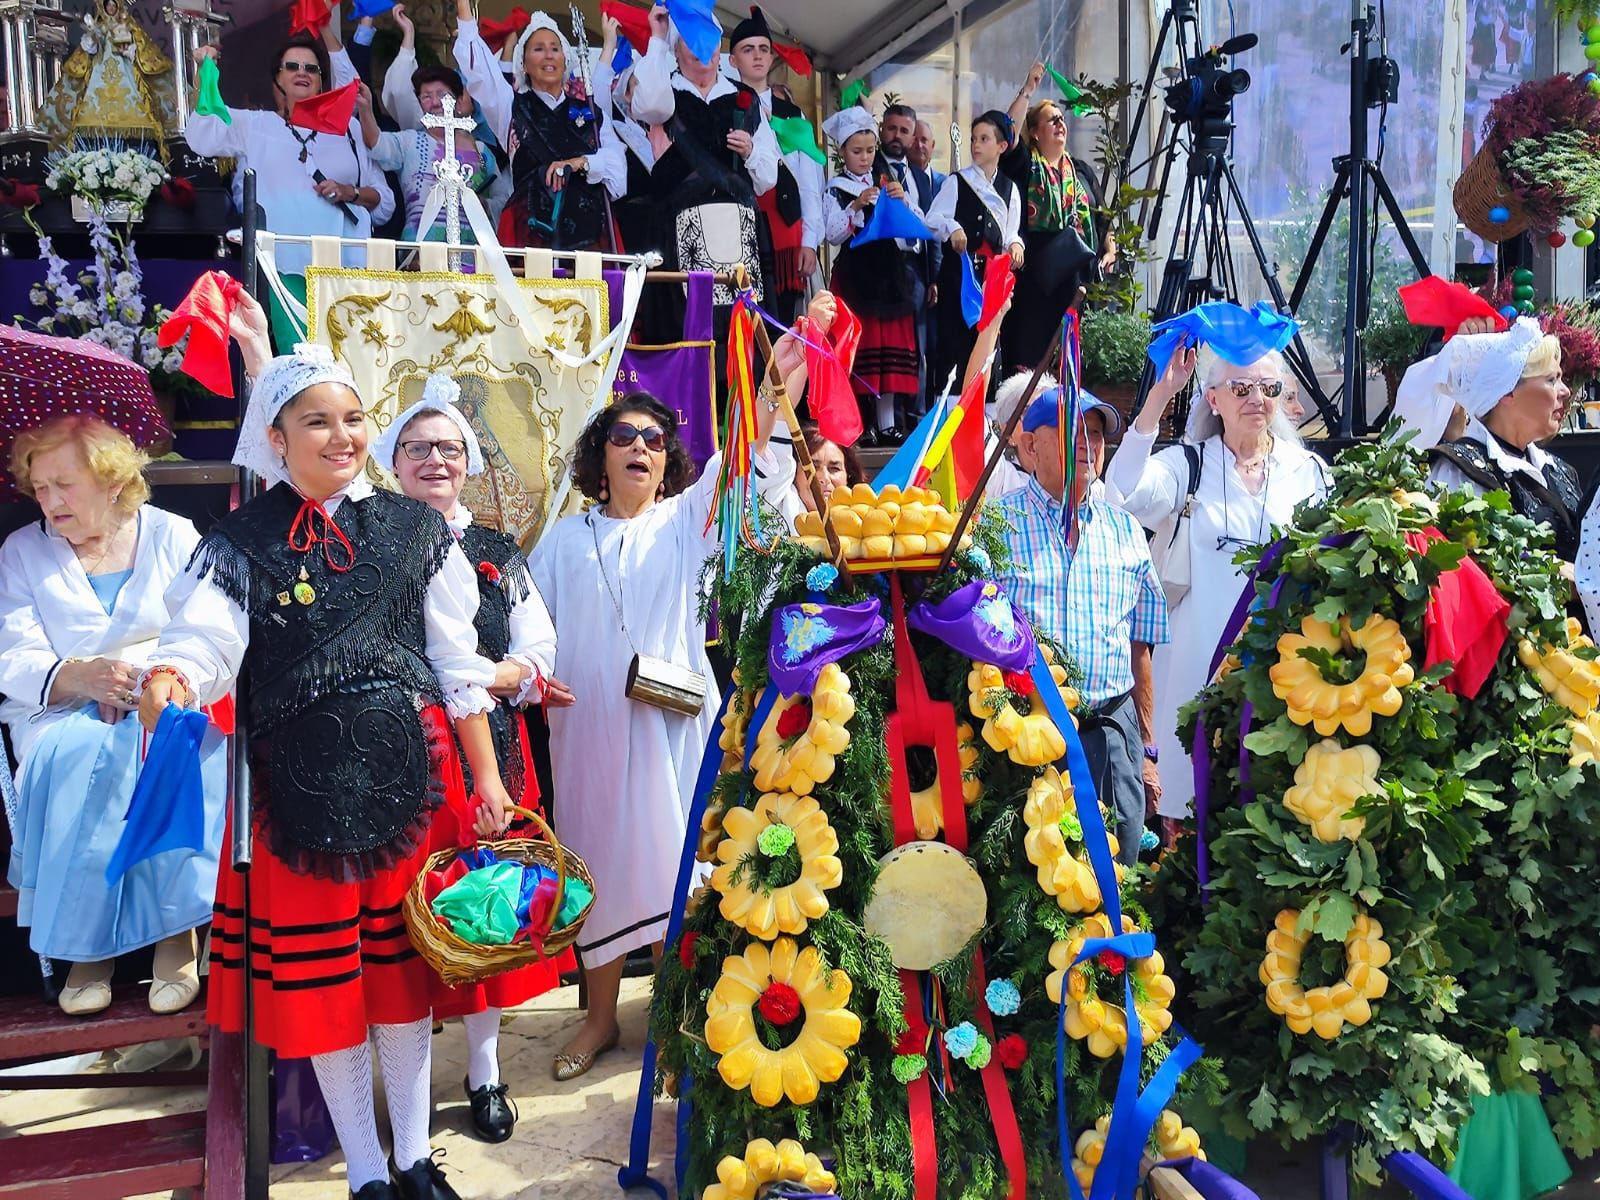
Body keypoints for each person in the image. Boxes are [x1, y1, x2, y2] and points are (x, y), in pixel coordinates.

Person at [138, 338, 513, 1200]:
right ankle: (368, 1175)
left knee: (399, 982)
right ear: (277, 437)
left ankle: (416, 1161)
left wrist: (487, 780)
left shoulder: (417, 532)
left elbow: (459, 667)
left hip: (409, 786)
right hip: (295, 800)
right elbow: (205, 644)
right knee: (330, 989)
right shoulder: (237, 544)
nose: (340, 437)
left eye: (352, 419)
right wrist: (173, 677)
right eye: (317, 422)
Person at [529, 391, 795, 1081]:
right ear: (601, 454)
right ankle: (599, 1018)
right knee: (598, 869)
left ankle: (686, 1016)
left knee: (689, 864)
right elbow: (532, 629)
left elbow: (737, 478)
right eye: (624, 436)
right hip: (588, 730)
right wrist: (532, 674)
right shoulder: (563, 541)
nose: (640, 447)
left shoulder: (684, 524)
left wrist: (768, 403)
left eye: (654, 437)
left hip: (675, 725)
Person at [370, 375, 575, 1143]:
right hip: (405, 754)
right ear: (392, 461)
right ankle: (408, 1086)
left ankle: (485, 1072)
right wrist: (499, 674)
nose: (435, 460)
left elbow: (539, 647)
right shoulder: (370, 544)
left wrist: (490, 674)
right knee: (409, 916)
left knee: (489, 907)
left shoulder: (495, 551)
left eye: (450, 448)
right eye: (418, 447)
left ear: (470, 462)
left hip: (494, 751)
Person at [0, 416, 226, 1016]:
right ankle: (87, 946)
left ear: (111, 481)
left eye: (64, 485)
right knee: (87, 752)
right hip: (63, 711)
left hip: (164, 696)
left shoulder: (174, 535)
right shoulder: (22, 552)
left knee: (171, 743)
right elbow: (13, 652)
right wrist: (78, 676)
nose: (49, 501)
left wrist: (152, 677)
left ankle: (175, 930)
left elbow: (205, 625)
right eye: (38, 487)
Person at [1103, 343, 1331, 836]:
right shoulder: (1189, 465)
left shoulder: (1307, 472)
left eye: (1268, 388)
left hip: (1280, 670)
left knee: (1275, 812)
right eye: (1241, 388)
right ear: (1213, 398)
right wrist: (1162, 394)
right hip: (1194, 669)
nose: (1256, 399)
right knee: (1191, 819)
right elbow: (1123, 495)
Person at [991, 391, 1167, 865]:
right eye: (1073, 434)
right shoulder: (996, 528)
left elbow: (1140, 648)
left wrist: (1147, 749)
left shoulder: (1126, 531)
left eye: (1095, 434)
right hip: (1028, 736)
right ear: (1030, 448)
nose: (1089, 445)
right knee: (1036, 881)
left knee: (1118, 869)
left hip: (1112, 731)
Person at [186, 37, 394, 350]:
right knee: (301, 355)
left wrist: (349, 192)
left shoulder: (349, 129)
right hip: (286, 262)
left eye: (312, 68)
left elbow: (384, 202)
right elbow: (204, 135)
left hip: (348, 262)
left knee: (352, 357)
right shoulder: (257, 125)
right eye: (292, 66)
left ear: (322, 80)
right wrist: (206, 72)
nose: (303, 73)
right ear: (278, 78)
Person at [630, 2, 779, 308]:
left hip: (737, 230)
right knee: (687, 321)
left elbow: (767, 179)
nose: (703, 49)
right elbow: (649, 106)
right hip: (676, 229)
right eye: (691, 40)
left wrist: (750, 152)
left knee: (739, 321)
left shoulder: (745, 98)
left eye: (710, 39)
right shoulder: (665, 92)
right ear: (676, 48)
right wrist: (657, 38)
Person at [1403, 318, 1583, 564]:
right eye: (1551, 380)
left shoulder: (1560, 470)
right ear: (1507, 391)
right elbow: (1461, 572)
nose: (1565, 391)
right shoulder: (1459, 471)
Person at [451, 0, 620, 250]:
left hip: (591, 229)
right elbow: (480, 71)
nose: (549, 55)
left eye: (555, 48)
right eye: (538, 49)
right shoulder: (510, 106)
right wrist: (463, 6)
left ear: (565, 58)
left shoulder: (592, 113)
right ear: (524, 63)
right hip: (528, 228)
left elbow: (618, 171)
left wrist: (580, 163)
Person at [1002, 65, 1116, 375]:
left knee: (1071, 364)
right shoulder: (1025, 165)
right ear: (1036, 132)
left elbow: (1101, 216)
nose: (1060, 123)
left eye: (1062, 119)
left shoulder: (1079, 170)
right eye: (1051, 120)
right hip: (1036, 284)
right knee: (1031, 365)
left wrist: (1110, 247)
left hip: (1076, 282)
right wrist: (1027, 89)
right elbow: (1007, 133)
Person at [821, 106, 920, 445]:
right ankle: (860, 423)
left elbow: (914, 233)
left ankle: (888, 420)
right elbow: (832, 234)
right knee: (860, 349)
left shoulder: (890, 181)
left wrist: (903, 202)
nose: (864, 158)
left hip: (889, 275)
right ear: (843, 153)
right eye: (856, 151)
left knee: (888, 348)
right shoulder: (837, 187)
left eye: (868, 151)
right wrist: (855, 206)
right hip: (856, 276)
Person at [726, 6, 823, 324]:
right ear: (732, 60)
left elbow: (809, 182)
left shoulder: (793, 116)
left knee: (781, 322)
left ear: (771, 58)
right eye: (747, 49)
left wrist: (809, 241)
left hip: (784, 230)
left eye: (764, 49)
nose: (757, 56)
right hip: (740, 225)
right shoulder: (723, 106)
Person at [924, 109, 1025, 393]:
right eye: (974, 139)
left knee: (989, 343)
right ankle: (950, 412)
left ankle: (985, 414)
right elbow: (933, 220)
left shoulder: (1010, 189)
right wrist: (953, 227)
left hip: (990, 282)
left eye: (984, 139)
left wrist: (1016, 245)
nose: (976, 145)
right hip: (959, 279)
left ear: (1002, 146)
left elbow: (1010, 232)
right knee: (956, 344)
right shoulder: (957, 182)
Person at [358, 64, 498, 243]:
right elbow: (376, 143)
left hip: (475, 255)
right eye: (426, 97)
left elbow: (503, 197)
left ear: (460, 99)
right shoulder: (410, 142)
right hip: (421, 254)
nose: (435, 103)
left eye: (442, 95)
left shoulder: (481, 151)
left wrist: (484, 205)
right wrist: (365, 108)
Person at [878, 101, 937, 432]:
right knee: (886, 351)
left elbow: (931, 229)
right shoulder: (870, 165)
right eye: (892, 129)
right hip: (880, 271)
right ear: (882, 130)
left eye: (904, 131)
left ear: (914, 136)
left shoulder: (920, 177)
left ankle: (914, 421)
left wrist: (934, 278)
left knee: (916, 350)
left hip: (915, 271)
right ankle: (888, 423)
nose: (897, 136)